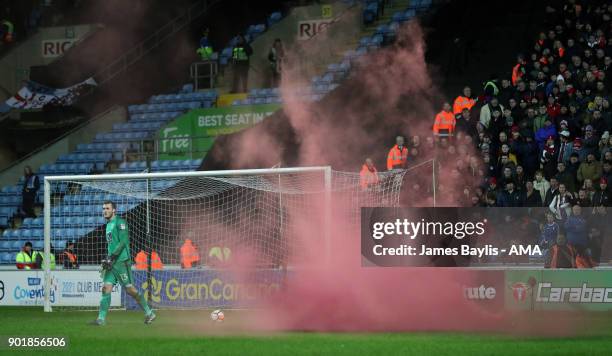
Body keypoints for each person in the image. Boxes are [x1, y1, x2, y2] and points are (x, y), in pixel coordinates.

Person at [91, 201, 155, 326]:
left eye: (107, 208)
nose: (105, 210)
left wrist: (112, 257)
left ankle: (149, 312)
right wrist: (108, 258)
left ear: (114, 210)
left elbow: (123, 241)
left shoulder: (120, 223)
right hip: (112, 263)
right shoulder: (108, 225)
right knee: (106, 288)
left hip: (121, 262)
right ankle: (101, 319)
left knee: (130, 290)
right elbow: (112, 245)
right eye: (103, 208)